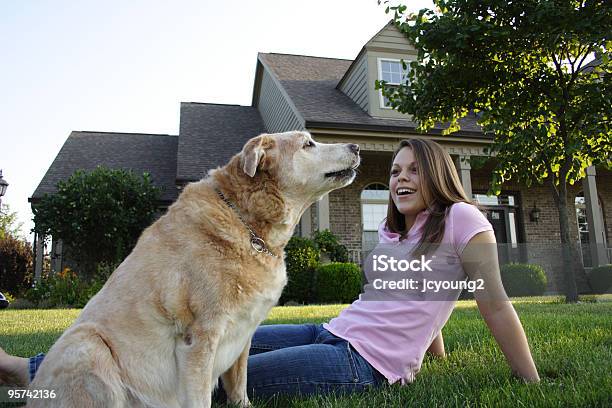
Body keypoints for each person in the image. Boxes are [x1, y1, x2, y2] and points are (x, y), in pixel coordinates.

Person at [0, 138, 540, 400]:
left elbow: (491, 300)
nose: (399, 180)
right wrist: (428, 347)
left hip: (363, 364)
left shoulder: (466, 219)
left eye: (412, 170)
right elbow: (419, 298)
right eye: (394, 171)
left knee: (210, 377)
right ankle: (43, 370)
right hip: (330, 331)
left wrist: (529, 380)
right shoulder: (397, 230)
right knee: (222, 344)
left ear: (439, 173)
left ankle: (34, 381)